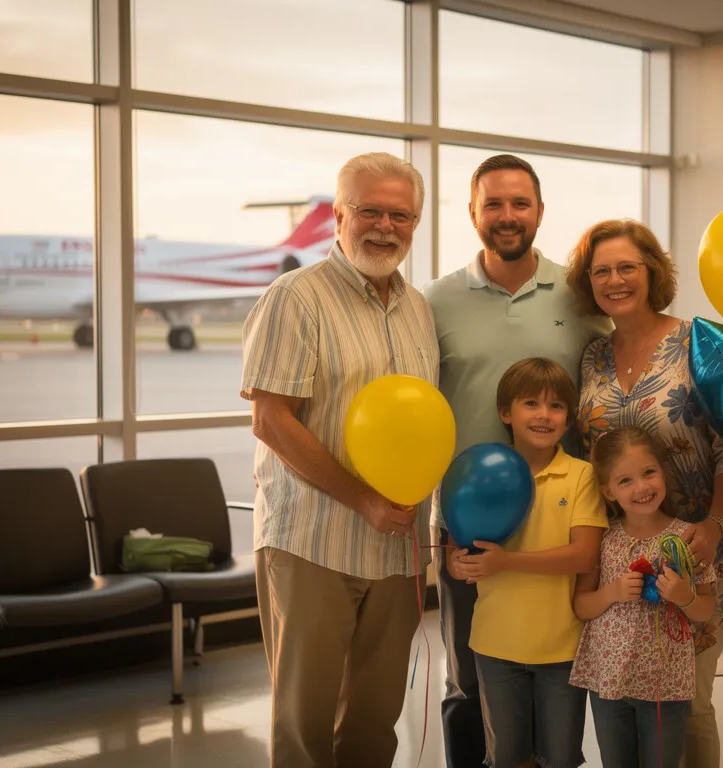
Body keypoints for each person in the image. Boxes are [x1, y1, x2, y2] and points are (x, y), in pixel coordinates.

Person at [240, 152, 437, 768]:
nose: (384, 227)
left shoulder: (418, 309)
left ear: (417, 221)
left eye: (399, 215)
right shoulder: (295, 297)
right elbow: (271, 419)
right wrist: (364, 500)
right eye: (369, 211)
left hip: (397, 549)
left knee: (376, 722)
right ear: (339, 216)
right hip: (313, 542)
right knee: (306, 724)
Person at [423, 154, 610, 767]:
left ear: (539, 212)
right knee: (469, 675)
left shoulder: (581, 297)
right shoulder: (435, 302)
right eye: (494, 204)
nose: (508, 216)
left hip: (562, 514)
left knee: (558, 667)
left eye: (520, 203)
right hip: (469, 522)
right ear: (473, 212)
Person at [566, 218, 723, 768]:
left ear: (653, 272)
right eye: (601, 271)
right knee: (628, 698)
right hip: (622, 551)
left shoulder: (699, 342)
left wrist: (715, 522)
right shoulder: (593, 356)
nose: (615, 279)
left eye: (627, 266)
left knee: (690, 703)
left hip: (696, 542)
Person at [446, 357, 609, 768]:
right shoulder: (478, 470)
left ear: (569, 419)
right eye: (531, 403)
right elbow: (455, 556)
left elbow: (584, 555)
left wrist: (506, 562)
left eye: (556, 407)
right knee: (507, 757)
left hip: (562, 647)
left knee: (561, 757)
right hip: (495, 646)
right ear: (506, 413)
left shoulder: (581, 475)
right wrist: (460, 565)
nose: (544, 415)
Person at [570, 427, 716, 768]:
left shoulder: (687, 537)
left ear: (663, 472)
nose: (642, 487)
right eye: (625, 481)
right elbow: (581, 605)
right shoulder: (604, 540)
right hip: (609, 680)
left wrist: (684, 597)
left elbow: (706, 609)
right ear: (608, 491)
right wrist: (612, 592)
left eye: (649, 472)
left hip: (666, 684)